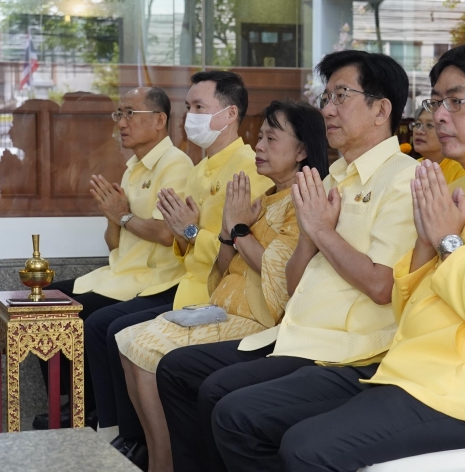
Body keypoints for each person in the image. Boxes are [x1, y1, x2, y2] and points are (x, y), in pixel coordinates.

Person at [208, 42, 465, 472]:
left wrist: (447, 243)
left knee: (304, 448)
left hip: (461, 392)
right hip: (403, 371)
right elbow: (406, 305)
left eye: (456, 102)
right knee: (249, 420)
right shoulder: (462, 188)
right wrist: (428, 246)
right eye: (436, 101)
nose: (439, 115)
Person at [157, 49, 420, 472]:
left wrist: (321, 232)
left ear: (381, 109)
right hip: (296, 331)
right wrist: (310, 238)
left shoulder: (405, 178)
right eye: (326, 97)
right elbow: (295, 284)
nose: (328, 109)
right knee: (179, 371)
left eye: (341, 96)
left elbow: (381, 286)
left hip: (349, 348)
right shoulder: (332, 177)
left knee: (230, 407)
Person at [114, 100, 328, 472]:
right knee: (126, 339)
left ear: (302, 151)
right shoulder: (262, 199)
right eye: (259, 136)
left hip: (259, 318)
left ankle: (165, 463)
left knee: (147, 348)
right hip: (224, 305)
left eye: (271, 139)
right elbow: (222, 271)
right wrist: (230, 233)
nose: (259, 146)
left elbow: (280, 277)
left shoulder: (304, 201)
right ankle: (159, 452)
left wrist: (239, 229)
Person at [85, 71, 271, 465]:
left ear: (229, 114)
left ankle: (158, 452)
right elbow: (184, 245)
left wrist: (187, 230)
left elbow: (233, 251)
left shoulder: (246, 168)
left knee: (118, 329)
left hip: (219, 294)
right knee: (120, 333)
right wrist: (184, 233)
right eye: (188, 108)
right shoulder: (200, 169)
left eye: (200, 107)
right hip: (192, 285)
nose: (190, 117)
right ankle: (149, 446)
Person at [30, 87, 193, 430]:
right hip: (119, 272)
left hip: (156, 278)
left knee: (85, 316)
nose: (121, 122)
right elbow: (115, 242)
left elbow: (168, 234)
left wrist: (122, 216)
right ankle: (69, 402)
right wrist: (112, 216)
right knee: (44, 302)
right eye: (119, 114)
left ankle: (86, 408)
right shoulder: (132, 167)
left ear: (160, 120)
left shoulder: (175, 164)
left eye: (131, 113)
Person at [410, 105, 465, 183]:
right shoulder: (411, 167)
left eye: (429, 125)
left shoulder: (460, 170)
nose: (419, 131)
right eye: (417, 124)